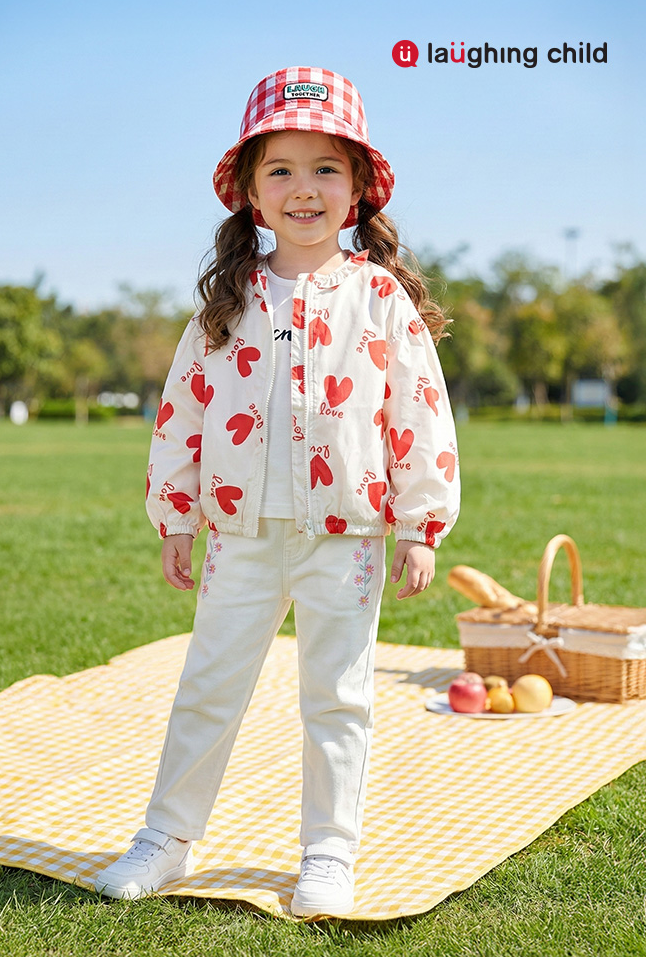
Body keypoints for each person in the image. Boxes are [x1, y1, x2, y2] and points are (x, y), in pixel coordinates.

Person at [95, 65, 460, 917]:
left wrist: (420, 524)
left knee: (339, 698)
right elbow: (183, 410)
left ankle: (328, 854)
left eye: (326, 168)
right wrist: (175, 515)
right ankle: (167, 839)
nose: (304, 188)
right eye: (282, 169)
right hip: (241, 536)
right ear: (252, 192)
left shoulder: (379, 298)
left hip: (347, 537)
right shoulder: (229, 301)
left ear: (358, 188)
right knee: (208, 687)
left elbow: (419, 409)